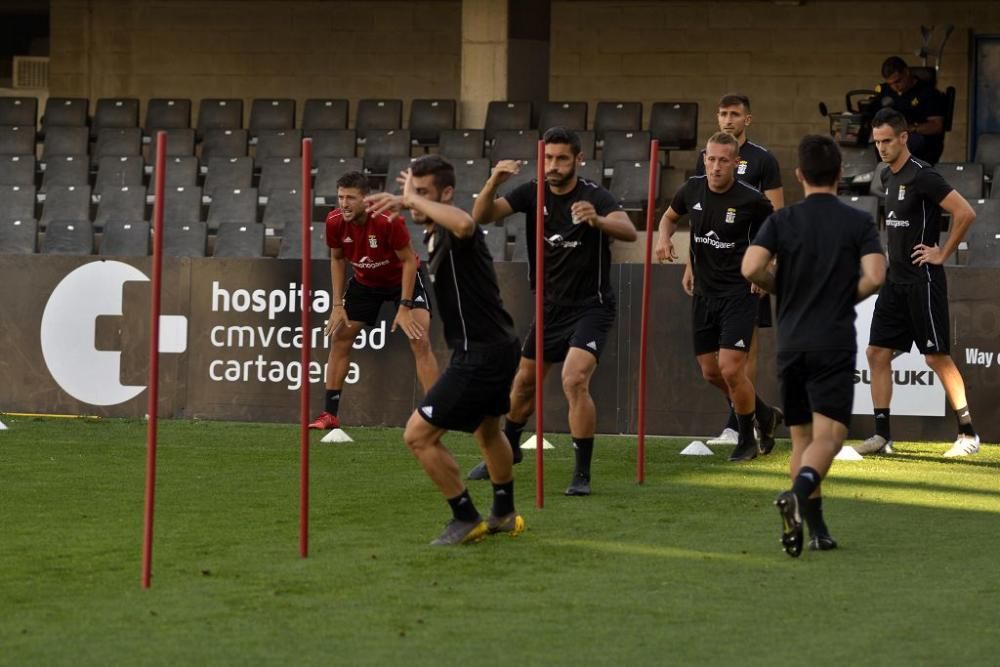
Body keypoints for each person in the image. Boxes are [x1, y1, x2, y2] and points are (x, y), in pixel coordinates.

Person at [466, 127, 637, 496]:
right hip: (549, 308)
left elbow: (629, 231)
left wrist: (597, 220)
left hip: (591, 307)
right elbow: (481, 216)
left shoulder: (594, 195)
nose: (554, 166)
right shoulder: (532, 192)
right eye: (548, 158)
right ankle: (509, 450)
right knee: (523, 385)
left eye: (562, 158)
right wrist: (494, 179)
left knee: (574, 379)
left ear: (578, 159)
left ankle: (581, 473)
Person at [365, 155, 524, 545]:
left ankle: (465, 517)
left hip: (482, 354)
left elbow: (468, 221)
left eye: (424, 193)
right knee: (488, 431)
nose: (413, 200)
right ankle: (504, 513)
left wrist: (410, 200)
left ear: (446, 194)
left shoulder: (455, 229)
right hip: (496, 347)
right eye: (412, 191)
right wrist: (414, 200)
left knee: (418, 435)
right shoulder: (435, 235)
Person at [742, 134, 886, 557]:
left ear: (800, 175)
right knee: (831, 438)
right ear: (840, 175)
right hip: (832, 343)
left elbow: (751, 267)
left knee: (802, 439)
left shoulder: (782, 220)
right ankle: (797, 494)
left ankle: (817, 529)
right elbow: (876, 275)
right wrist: (845, 296)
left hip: (791, 344)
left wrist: (780, 289)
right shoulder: (857, 221)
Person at [858, 108, 980, 458]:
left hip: (923, 281)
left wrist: (942, 252)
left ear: (903, 138)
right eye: (877, 141)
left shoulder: (924, 175)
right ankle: (882, 437)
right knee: (876, 352)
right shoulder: (886, 175)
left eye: (886, 140)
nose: (880, 147)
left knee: (935, 357)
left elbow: (965, 212)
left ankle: (967, 433)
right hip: (894, 282)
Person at [656, 131, 781, 462]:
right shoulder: (692, 189)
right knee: (710, 372)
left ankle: (745, 439)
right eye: (710, 159)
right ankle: (765, 415)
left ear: (736, 163)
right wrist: (664, 239)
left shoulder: (753, 200)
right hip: (703, 293)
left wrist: (764, 269)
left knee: (730, 368)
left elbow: (777, 237)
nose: (715, 167)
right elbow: (669, 218)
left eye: (723, 160)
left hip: (739, 293)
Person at [308, 171, 439, 433]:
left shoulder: (387, 220)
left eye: (351, 198)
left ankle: (435, 412)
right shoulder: (334, 221)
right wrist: (337, 305)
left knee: (419, 338)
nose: (344, 203)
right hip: (365, 281)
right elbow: (336, 259)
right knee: (340, 337)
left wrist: (404, 306)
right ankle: (329, 414)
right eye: (340, 197)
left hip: (401, 278)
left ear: (366, 200)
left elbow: (409, 261)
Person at [691, 94, 784, 447]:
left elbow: (775, 214)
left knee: (747, 350)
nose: (728, 119)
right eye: (723, 114)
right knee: (716, 360)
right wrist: (691, 263)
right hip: (711, 269)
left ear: (748, 119)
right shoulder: (709, 157)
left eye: (735, 114)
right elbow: (700, 216)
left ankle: (737, 424)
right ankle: (756, 415)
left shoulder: (763, 160)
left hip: (748, 270)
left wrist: (767, 266)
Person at [872, 56, 948, 164]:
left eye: (898, 81)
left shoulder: (928, 93)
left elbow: (937, 125)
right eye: (890, 84)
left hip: (919, 139)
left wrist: (911, 128)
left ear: (906, 72)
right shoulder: (884, 91)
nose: (895, 87)